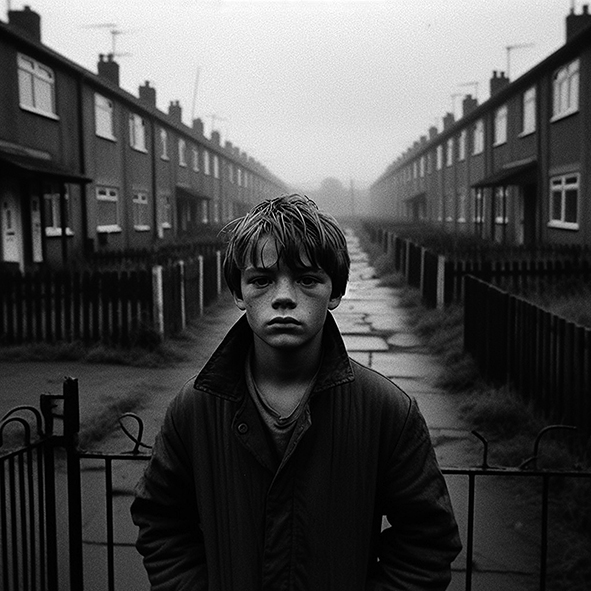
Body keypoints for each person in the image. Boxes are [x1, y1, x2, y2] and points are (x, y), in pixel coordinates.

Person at [131, 193, 461, 590]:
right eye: (261, 280)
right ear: (238, 293)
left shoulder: (387, 411)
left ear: (335, 292)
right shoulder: (195, 407)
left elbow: (427, 540)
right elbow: (161, 521)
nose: (284, 296)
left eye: (307, 279)